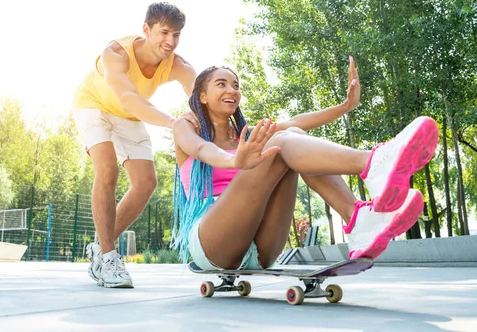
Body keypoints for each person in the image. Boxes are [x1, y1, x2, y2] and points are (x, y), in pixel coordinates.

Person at [170, 57, 439, 270]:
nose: (232, 90)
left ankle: (356, 220)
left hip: (260, 248)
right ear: (202, 95)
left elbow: (296, 122)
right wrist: (234, 160)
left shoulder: (248, 135)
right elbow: (201, 149)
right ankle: (372, 163)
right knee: (280, 143)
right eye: (221, 84)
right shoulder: (187, 125)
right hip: (212, 242)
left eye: (236, 85)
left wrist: (345, 106)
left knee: (291, 137)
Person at [73, 2, 200, 288]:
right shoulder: (116, 53)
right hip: (93, 105)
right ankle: (108, 258)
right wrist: (173, 122)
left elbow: (201, 97)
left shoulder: (178, 65)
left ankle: (98, 245)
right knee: (107, 169)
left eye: (176, 35)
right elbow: (129, 98)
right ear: (146, 29)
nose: (170, 41)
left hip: (129, 116)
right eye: (164, 32)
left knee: (146, 183)